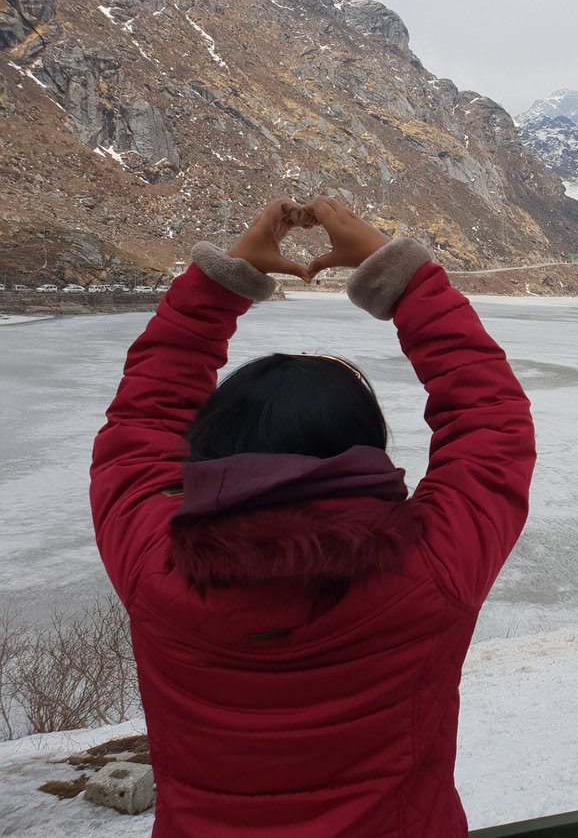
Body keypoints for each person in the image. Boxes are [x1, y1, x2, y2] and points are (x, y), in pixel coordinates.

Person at [90, 197, 536, 836]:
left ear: (208, 446)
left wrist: (220, 284)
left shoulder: (153, 565)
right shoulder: (430, 570)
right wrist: (399, 277)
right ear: (366, 451)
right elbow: (490, 422)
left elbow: (143, 419)